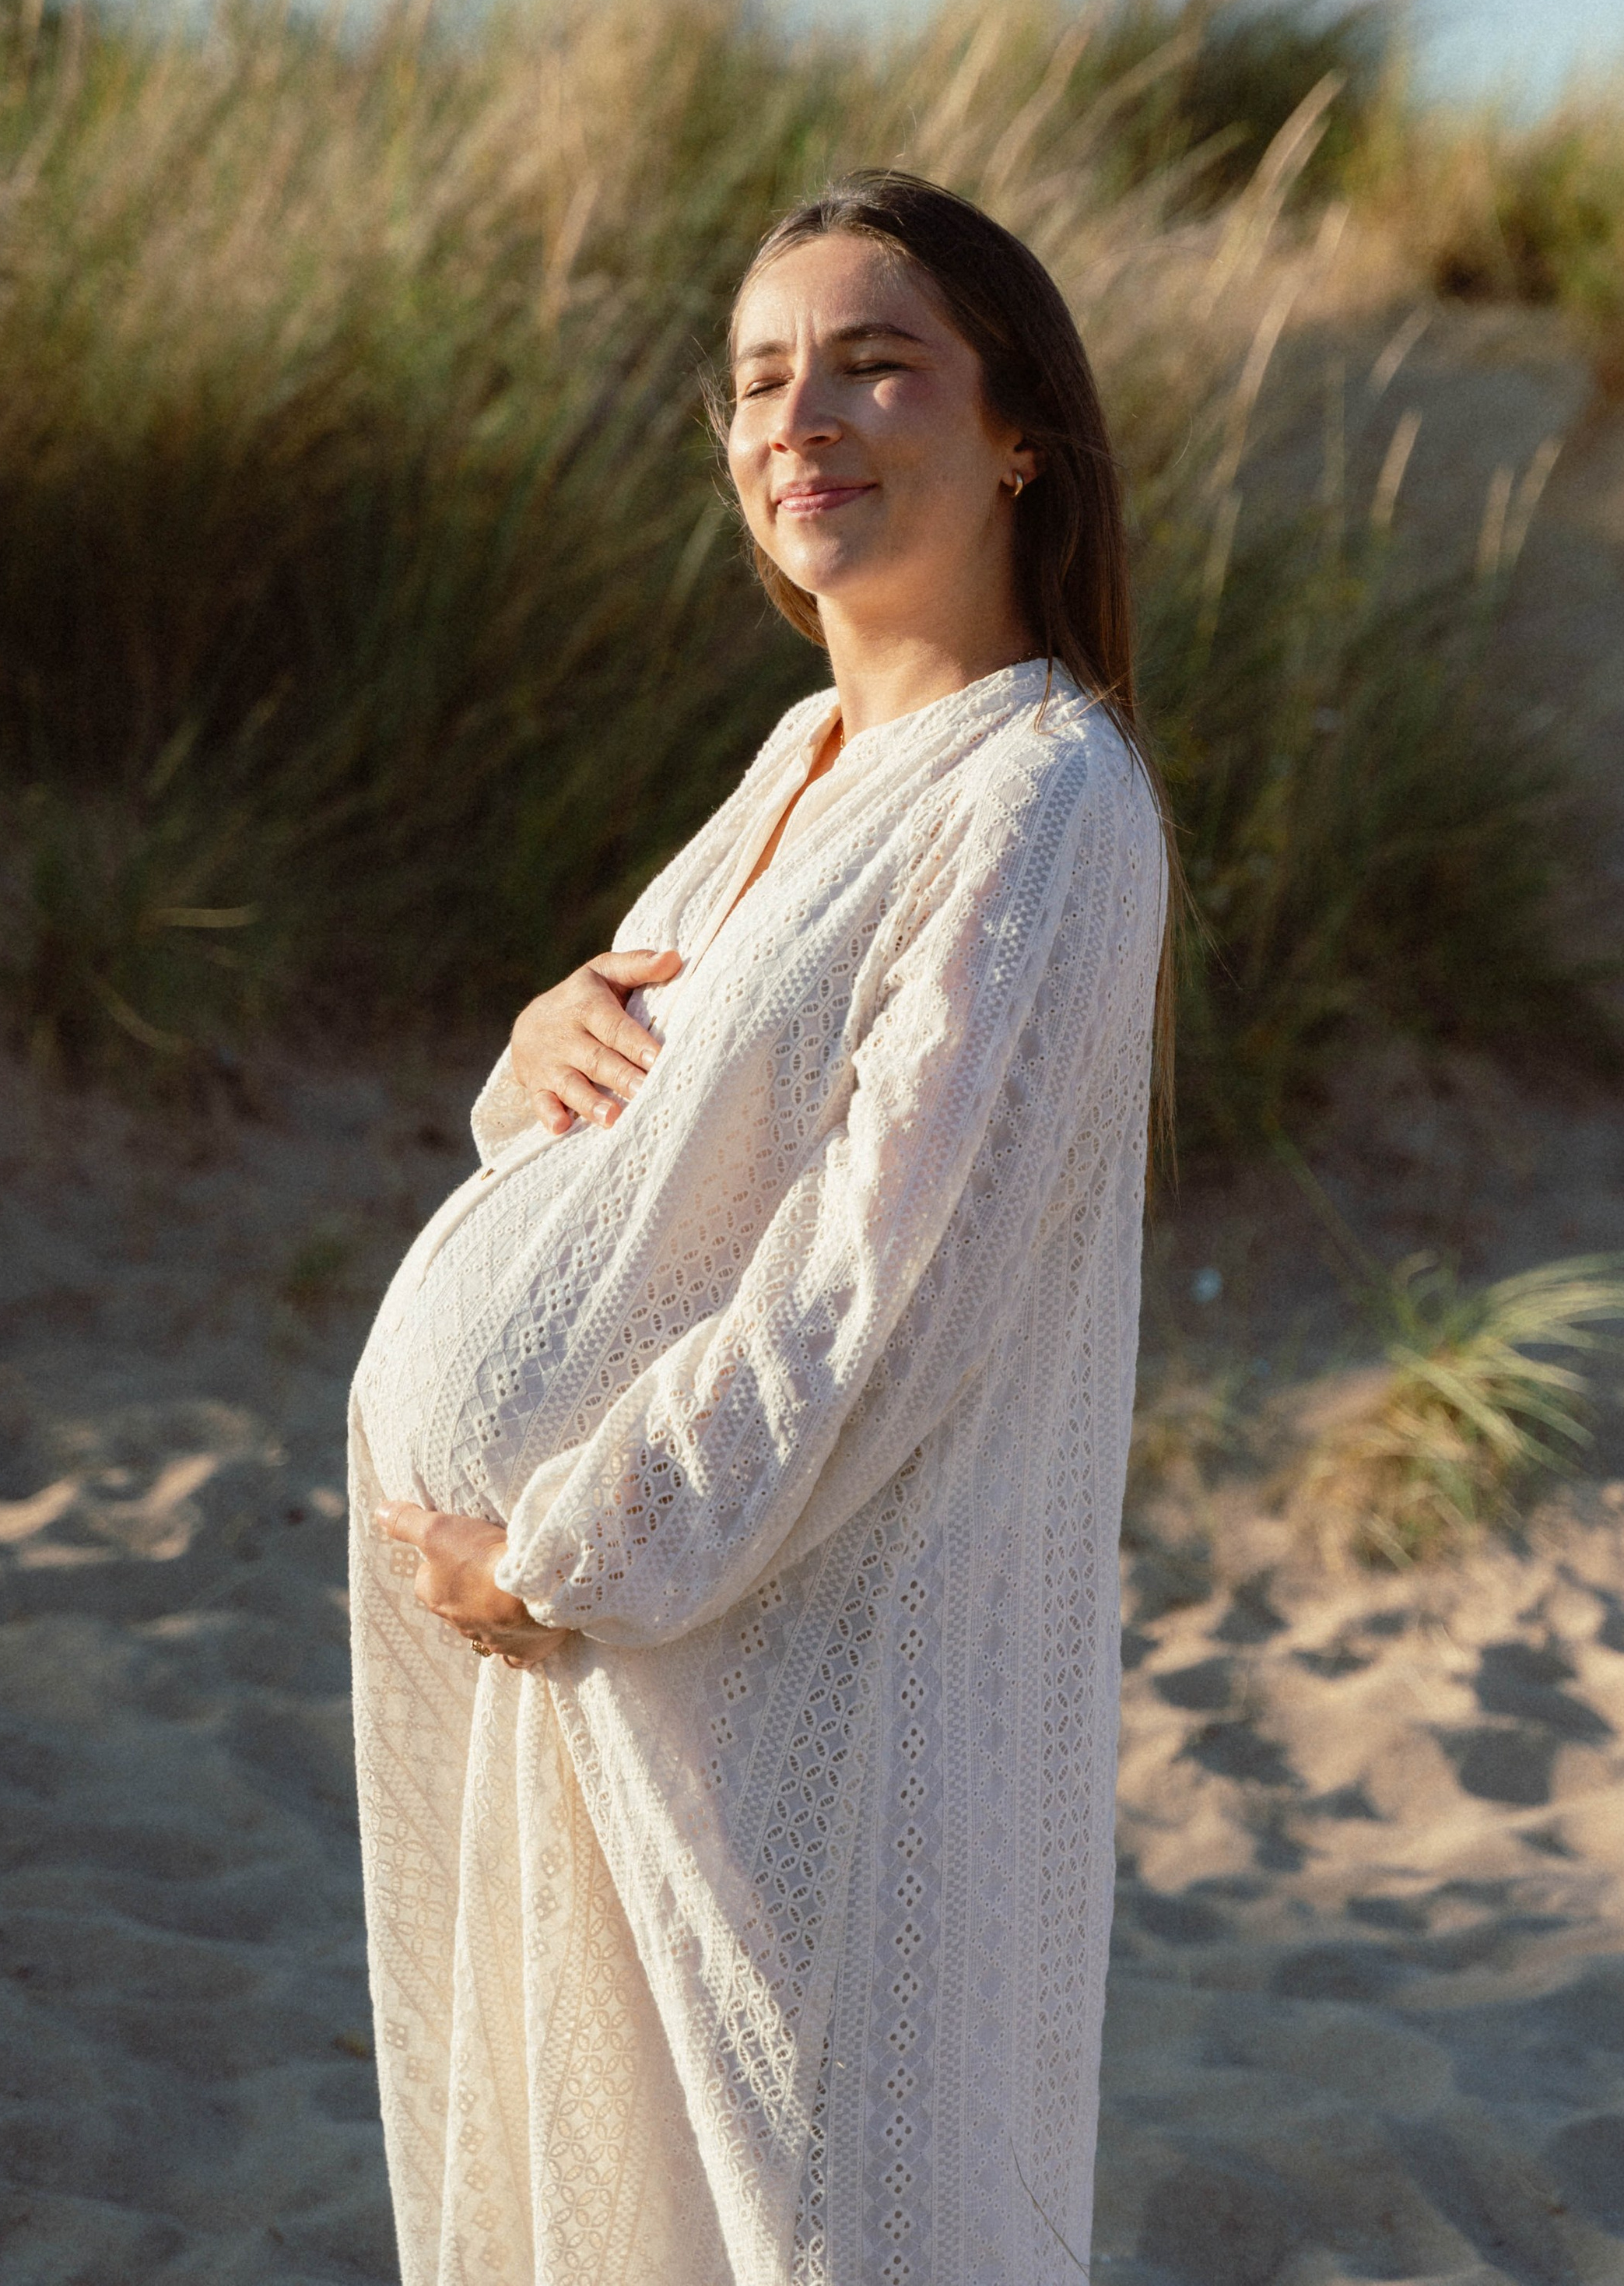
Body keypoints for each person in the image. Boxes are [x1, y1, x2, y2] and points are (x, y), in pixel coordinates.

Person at [350, 169, 1170, 2286]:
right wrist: (525, 1053)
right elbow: (653, 1164)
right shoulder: (797, 755)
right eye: (759, 379)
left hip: (803, 1686)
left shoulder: (1042, 802)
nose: (801, 415)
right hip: (643, 1676)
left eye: (876, 364)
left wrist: (556, 1552)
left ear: (1018, 437)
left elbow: (865, 1298)